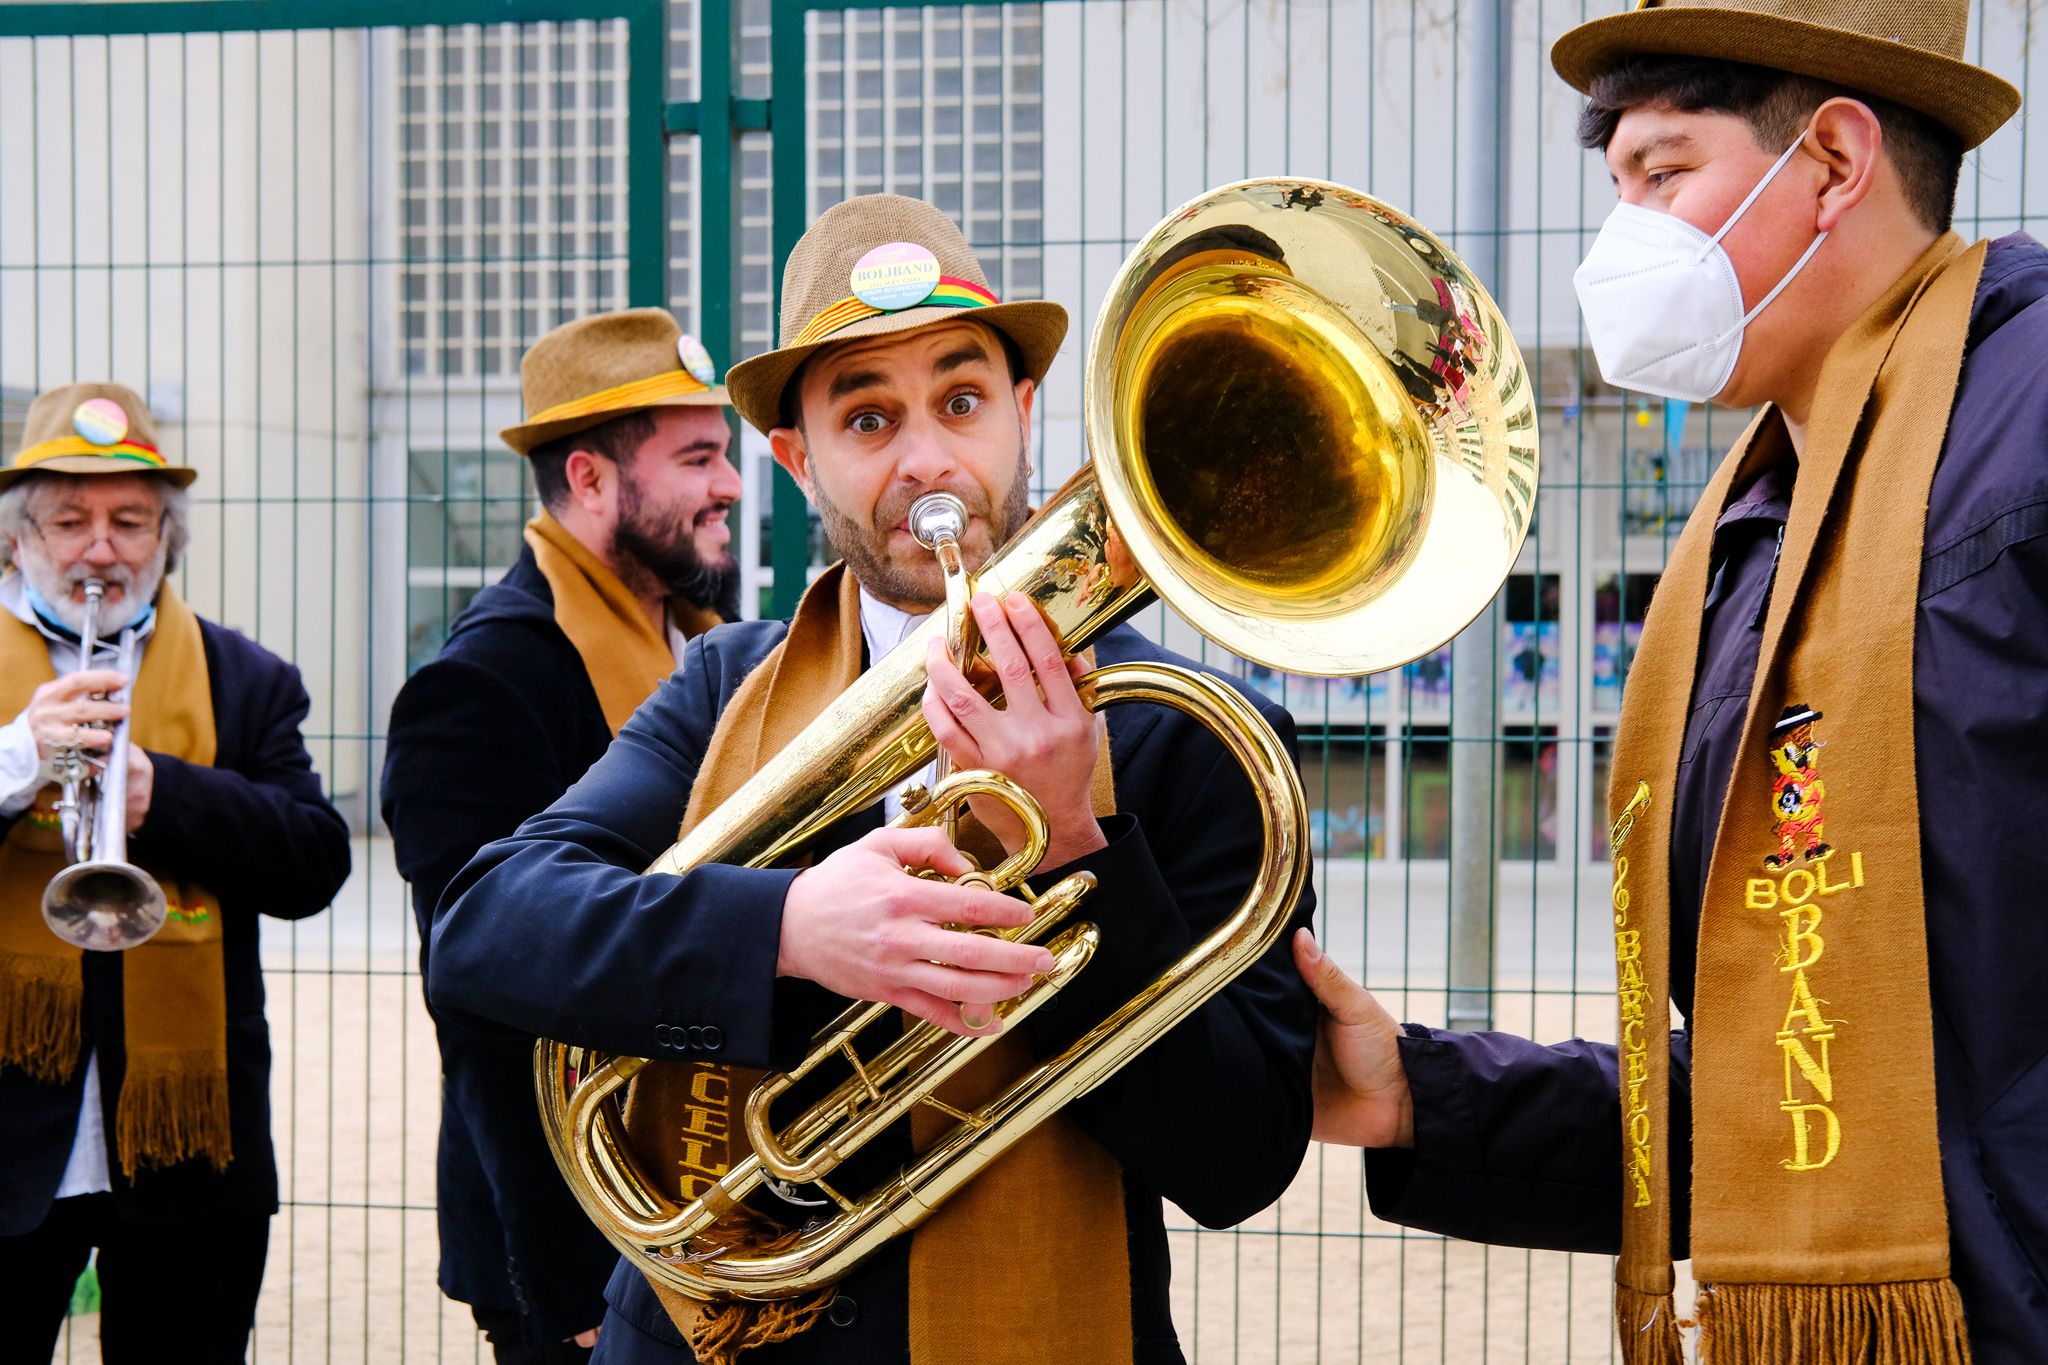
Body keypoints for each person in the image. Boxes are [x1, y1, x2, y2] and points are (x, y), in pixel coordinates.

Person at [426, 194, 1318, 1364]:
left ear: (1023, 414)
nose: (927, 458)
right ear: (798, 461)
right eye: (866, 418)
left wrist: (1067, 840)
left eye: (961, 400)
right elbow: (484, 924)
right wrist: (787, 926)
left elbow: (1238, 1159)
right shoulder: (722, 687)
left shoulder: (1200, 735)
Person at [1295, 3, 2048, 1362]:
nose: (1622, 239)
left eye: (1663, 173)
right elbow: (1791, 1081)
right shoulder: (1756, 536)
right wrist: (1419, 1091)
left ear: (1831, 159)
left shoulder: (2033, 413)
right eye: (1615, 190)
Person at [382, 307, 744, 1361]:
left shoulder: (698, 640)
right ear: (589, 482)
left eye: (722, 453)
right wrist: (568, 1270)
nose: (729, 484)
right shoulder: (480, 683)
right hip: (577, 1245)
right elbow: (479, 1003)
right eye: (698, 458)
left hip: (696, 1190)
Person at [0, 382, 352, 1359]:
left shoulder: (247, 678)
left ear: (167, 539)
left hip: (192, 1153)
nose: (100, 549)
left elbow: (313, 865)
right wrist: (18, 758)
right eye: (68, 520)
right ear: (16, 539)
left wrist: (171, 798)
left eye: (129, 521)